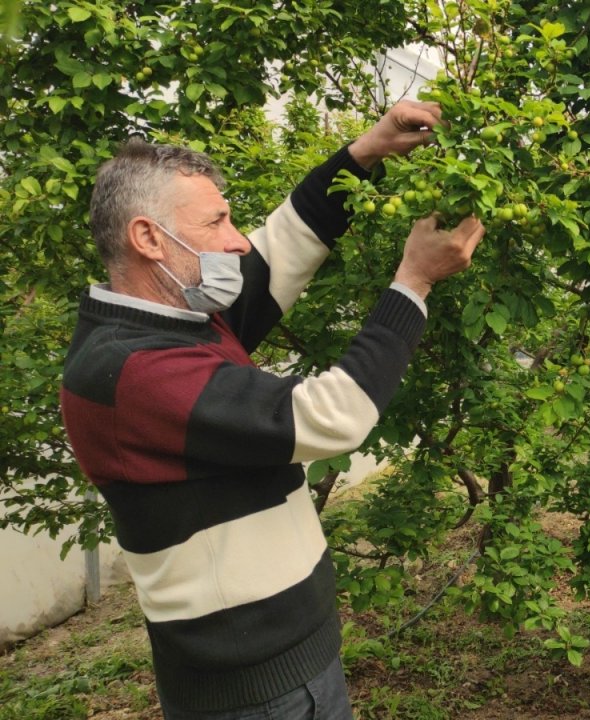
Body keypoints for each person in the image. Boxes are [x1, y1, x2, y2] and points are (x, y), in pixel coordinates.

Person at [59, 100, 485, 719]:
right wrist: (414, 281)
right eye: (218, 222)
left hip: (283, 663)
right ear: (149, 237)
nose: (236, 241)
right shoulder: (133, 369)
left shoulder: (178, 323)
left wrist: (367, 150)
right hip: (255, 691)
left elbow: (284, 245)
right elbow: (332, 415)